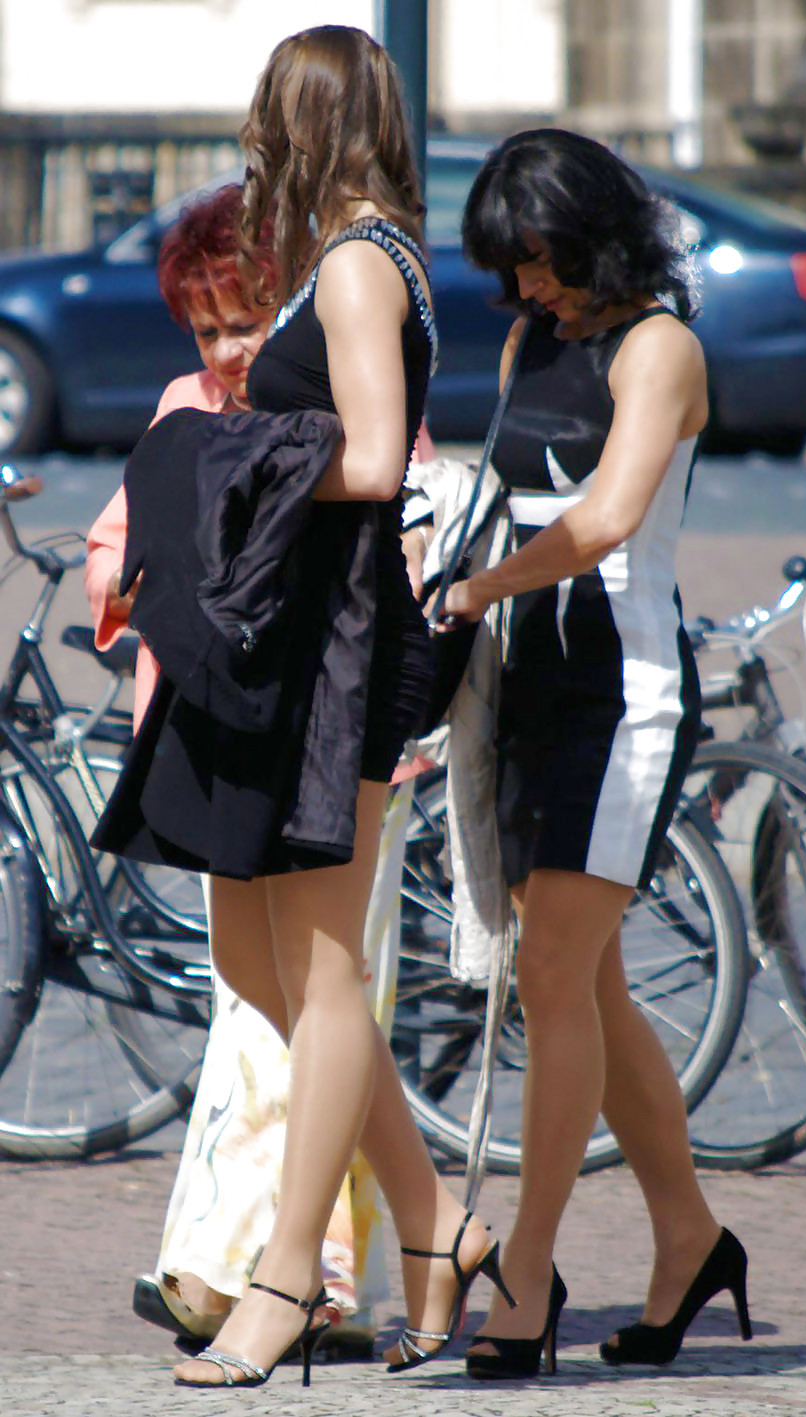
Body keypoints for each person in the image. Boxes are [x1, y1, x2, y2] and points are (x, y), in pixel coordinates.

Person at [90, 26, 513, 1391]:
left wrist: (214, 451)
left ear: (301, 125)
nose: (251, 145)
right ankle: (445, 1227)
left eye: (265, 122)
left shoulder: (349, 264)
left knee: (320, 977)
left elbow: (379, 458)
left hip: (335, 650)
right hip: (292, 646)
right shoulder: (356, 259)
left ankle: (284, 1281)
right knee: (256, 969)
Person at [438, 128, 751, 1380]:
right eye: (512, 269)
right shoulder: (536, 338)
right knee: (591, 985)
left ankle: (528, 1273)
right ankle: (690, 1238)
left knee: (559, 978)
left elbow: (611, 514)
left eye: (541, 260)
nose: (526, 289)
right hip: (528, 680)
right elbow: (506, 487)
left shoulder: (662, 346)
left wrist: (477, 590)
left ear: (596, 236)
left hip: (623, 691)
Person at [84, 183, 401, 1353]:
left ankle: (289, 1268)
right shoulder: (183, 406)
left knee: (315, 1002)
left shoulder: (326, 387)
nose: (227, 349)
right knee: (254, 992)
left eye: (246, 317)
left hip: (323, 736)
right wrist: (139, 572)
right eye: (208, 328)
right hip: (209, 734)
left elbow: (393, 515)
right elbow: (115, 550)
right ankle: (395, 1233)